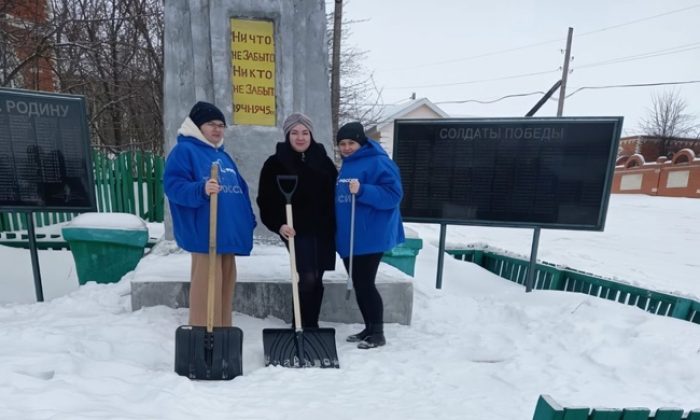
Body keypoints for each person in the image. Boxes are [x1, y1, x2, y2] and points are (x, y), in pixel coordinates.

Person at [164, 101, 256, 327]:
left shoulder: (223, 156)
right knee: (207, 291)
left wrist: (247, 221)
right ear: (197, 126)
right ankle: (203, 336)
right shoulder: (184, 152)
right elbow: (173, 187)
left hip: (227, 234)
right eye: (211, 124)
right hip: (206, 234)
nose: (217, 129)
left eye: (221, 125)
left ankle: (222, 335)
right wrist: (201, 189)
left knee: (224, 290)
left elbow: (240, 191)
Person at [257, 113, 338, 328]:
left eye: (305, 133)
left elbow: (335, 195)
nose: (300, 137)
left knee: (318, 278)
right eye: (294, 133)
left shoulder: (323, 160)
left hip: (322, 229)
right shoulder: (275, 163)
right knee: (307, 276)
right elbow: (265, 201)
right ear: (287, 135)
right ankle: (299, 325)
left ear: (311, 134)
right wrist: (279, 225)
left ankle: (311, 324)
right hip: (295, 229)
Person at [335, 121, 405, 349]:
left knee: (365, 283)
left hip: (370, 235)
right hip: (351, 236)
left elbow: (393, 195)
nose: (346, 148)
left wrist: (364, 190)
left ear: (361, 142)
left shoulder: (379, 162)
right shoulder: (347, 164)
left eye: (351, 143)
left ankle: (378, 333)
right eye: (342, 144)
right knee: (359, 283)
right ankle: (369, 328)